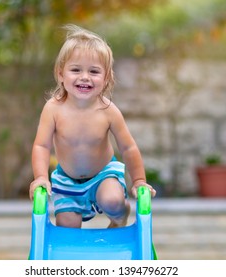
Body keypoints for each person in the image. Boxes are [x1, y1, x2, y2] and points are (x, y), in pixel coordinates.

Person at [29, 24, 156, 229]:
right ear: (61, 74)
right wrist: (41, 178)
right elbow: (41, 146)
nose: (85, 76)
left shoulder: (108, 110)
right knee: (66, 228)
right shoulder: (53, 109)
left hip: (103, 175)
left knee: (112, 201)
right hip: (67, 180)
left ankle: (119, 217)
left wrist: (139, 180)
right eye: (76, 69)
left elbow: (128, 147)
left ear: (106, 78)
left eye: (94, 71)